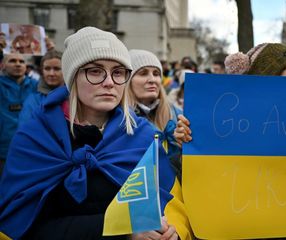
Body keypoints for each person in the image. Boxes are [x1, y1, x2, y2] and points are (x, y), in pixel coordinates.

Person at [0, 27, 191, 240]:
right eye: (95, 71)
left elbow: (172, 204)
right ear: (73, 77)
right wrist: (122, 232)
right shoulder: (34, 137)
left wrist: (173, 233)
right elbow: (21, 228)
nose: (109, 82)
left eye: (118, 72)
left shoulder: (144, 136)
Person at [127, 49, 189, 180]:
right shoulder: (119, 120)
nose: (152, 80)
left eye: (156, 74)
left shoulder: (178, 115)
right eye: (143, 73)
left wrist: (186, 147)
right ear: (128, 80)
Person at [0, 52, 38, 175]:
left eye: (21, 61)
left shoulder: (36, 85)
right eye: (12, 61)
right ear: (2, 65)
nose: (18, 64)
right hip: (4, 151)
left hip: (31, 149)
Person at [19, 50, 64, 124]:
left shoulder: (75, 97)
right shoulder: (33, 100)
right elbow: (26, 127)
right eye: (47, 69)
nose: (51, 73)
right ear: (41, 71)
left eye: (56, 69)